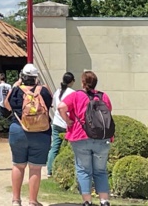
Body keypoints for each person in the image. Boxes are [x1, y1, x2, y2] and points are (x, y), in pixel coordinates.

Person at [58, 70, 113, 206]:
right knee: (100, 170)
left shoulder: (76, 95)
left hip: (80, 136)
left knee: (83, 170)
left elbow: (61, 107)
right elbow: (108, 113)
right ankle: (104, 200)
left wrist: (68, 121)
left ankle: (87, 201)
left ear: (83, 83)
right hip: (101, 138)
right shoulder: (103, 96)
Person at [5, 63, 52, 206]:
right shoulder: (43, 91)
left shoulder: (16, 91)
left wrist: (15, 86)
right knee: (35, 168)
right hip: (41, 131)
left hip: (19, 129)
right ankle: (32, 201)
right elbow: (50, 104)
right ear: (36, 78)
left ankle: (16, 200)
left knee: (18, 165)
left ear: (22, 77)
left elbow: (7, 105)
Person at [46, 72, 75, 177]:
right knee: (68, 148)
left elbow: (53, 105)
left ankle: (49, 170)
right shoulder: (72, 92)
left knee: (54, 147)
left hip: (56, 122)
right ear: (72, 81)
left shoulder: (57, 92)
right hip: (67, 123)